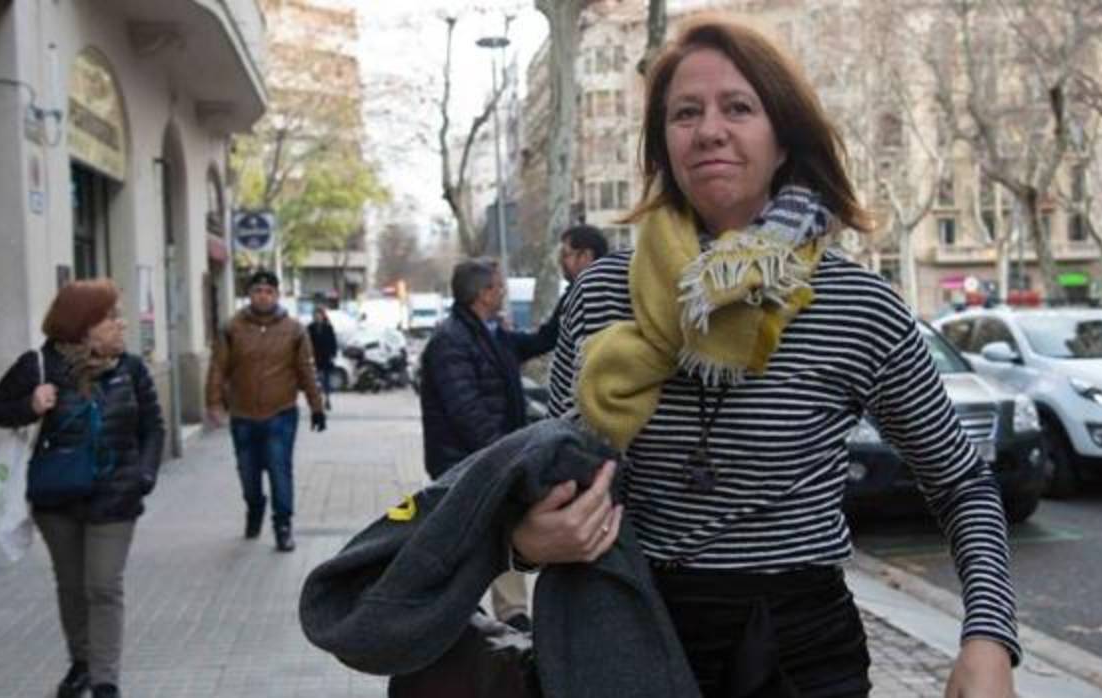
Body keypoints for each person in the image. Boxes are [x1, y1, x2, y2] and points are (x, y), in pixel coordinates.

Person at [514, 17, 1019, 698]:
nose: (710, 129)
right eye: (685, 113)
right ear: (663, 146)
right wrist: (527, 539)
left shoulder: (857, 305)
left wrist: (987, 639)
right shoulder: (603, 292)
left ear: (784, 139)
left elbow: (964, 485)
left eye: (739, 108)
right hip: (624, 639)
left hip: (799, 656)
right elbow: (557, 480)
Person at [0, 279, 165, 698]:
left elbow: (153, 427)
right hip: (56, 497)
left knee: (102, 585)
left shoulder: (131, 369)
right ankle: (80, 662)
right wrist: (29, 405)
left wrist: (144, 476)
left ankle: (105, 680)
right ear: (83, 326)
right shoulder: (40, 366)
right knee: (71, 585)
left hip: (116, 495)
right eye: (110, 318)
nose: (121, 325)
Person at [418, 258, 540, 631]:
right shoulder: (451, 341)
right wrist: (503, 454)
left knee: (498, 530)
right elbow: (465, 410)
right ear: (483, 294)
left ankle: (511, 612)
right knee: (469, 539)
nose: (503, 291)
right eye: (498, 286)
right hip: (463, 463)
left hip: (487, 459)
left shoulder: (491, 333)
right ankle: (449, 611)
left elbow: (534, 344)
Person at [206, 269, 326, 553]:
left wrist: (316, 406)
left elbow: (306, 370)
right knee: (248, 474)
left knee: (279, 469)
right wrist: (213, 403)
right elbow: (218, 367)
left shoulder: (294, 330)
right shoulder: (232, 328)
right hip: (243, 414)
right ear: (249, 295)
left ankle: (282, 526)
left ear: (276, 295)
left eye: (269, 291)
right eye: (257, 291)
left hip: (281, 413)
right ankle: (255, 507)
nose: (263, 296)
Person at [519, 224, 610, 358]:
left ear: (586, 256)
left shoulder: (582, 296)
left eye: (566, 255)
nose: (561, 261)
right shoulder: (614, 288)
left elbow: (546, 340)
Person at [306, 305, 339, 410]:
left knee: (326, 380)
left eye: (319, 315)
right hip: (314, 357)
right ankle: (317, 400)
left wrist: (333, 354)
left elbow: (333, 342)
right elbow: (306, 343)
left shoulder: (328, 327)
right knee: (316, 381)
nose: (317, 317)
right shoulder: (310, 328)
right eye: (315, 315)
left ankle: (327, 400)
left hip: (326, 358)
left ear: (322, 316)